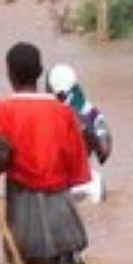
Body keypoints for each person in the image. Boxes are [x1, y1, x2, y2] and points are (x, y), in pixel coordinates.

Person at [0, 42, 93, 264]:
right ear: (39, 72)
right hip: (63, 220)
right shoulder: (64, 113)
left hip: (22, 220)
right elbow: (77, 171)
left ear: (9, 74)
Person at [46, 64, 111, 204]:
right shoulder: (91, 112)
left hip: (58, 184)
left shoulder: (47, 114)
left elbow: (104, 152)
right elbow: (104, 153)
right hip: (85, 181)